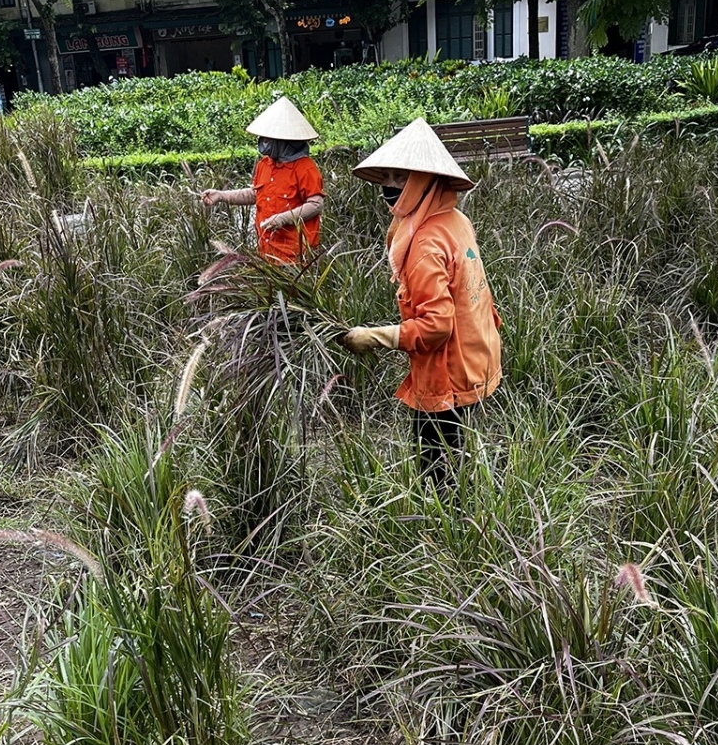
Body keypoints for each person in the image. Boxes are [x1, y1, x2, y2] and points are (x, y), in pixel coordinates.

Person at [342, 117, 502, 482]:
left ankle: (449, 533)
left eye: (401, 178)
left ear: (425, 181)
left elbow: (436, 326)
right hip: (475, 352)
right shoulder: (454, 218)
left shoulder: (426, 243)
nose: (389, 186)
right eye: (386, 176)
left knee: (435, 466)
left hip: (447, 369)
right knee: (455, 449)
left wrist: (374, 336)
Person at [200, 96, 323, 262]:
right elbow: (255, 194)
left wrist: (283, 219)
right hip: (267, 250)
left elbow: (316, 204)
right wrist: (221, 196)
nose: (263, 143)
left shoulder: (305, 168)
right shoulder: (265, 164)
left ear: (283, 140)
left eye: (267, 139)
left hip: (296, 255)